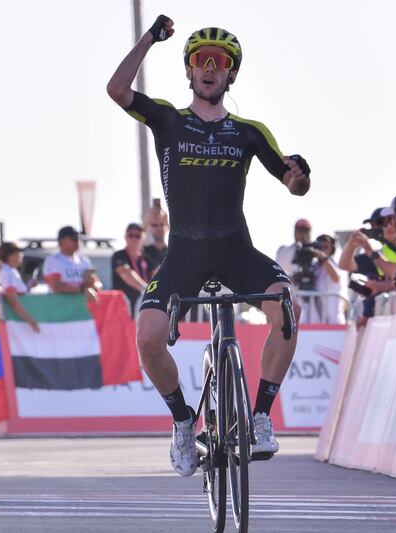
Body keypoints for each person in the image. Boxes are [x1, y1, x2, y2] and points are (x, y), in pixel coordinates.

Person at [107, 16, 309, 477]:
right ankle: (182, 420)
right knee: (148, 338)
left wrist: (301, 177)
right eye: (201, 60)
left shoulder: (249, 131)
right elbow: (117, 90)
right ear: (190, 71)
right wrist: (149, 40)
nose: (210, 67)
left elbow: (293, 184)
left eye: (221, 62)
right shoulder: (167, 119)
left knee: (287, 311)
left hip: (236, 250)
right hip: (184, 253)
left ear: (231, 73)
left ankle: (260, 417)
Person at [43, 225, 102, 301]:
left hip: (81, 307)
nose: (77, 240)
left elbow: (98, 283)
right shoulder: (53, 260)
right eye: (73, 238)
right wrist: (82, 289)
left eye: (77, 238)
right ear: (62, 241)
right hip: (60, 306)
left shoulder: (84, 260)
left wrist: (92, 286)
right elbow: (56, 287)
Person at [0, 241, 39, 333]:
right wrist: (30, 321)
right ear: (10, 256)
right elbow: (12, 300)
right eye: (18, 253)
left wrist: (28, 287)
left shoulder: (11, 271)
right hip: (8, 322)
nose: (21, 256)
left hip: (14, 321)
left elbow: (17, 294)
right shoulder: (6, 272)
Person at [112, 223, 150, 315]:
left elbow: (156, 273)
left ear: (144, 238)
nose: (133, 239)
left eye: (138, 236)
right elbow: (125, 272)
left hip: (143, 308)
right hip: (122, 311)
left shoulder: (147, 258)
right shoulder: (119, 255)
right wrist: (146, 289)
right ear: (125, 237)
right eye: (130, 235)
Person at [310, 234, 345, 324]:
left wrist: (324, 258)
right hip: (316, 319)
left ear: (332, 249)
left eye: (325, 247)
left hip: (334, 319)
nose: (322, 250)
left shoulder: (337, 265)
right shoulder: (313, 267)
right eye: (319, 247)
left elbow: (336, 277)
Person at [143, 201, 169, 277]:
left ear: (167, 227)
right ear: (149, 228)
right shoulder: (143, 252)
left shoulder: (173, 251)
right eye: (154, 225)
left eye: (162, 224)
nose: (158, 228)